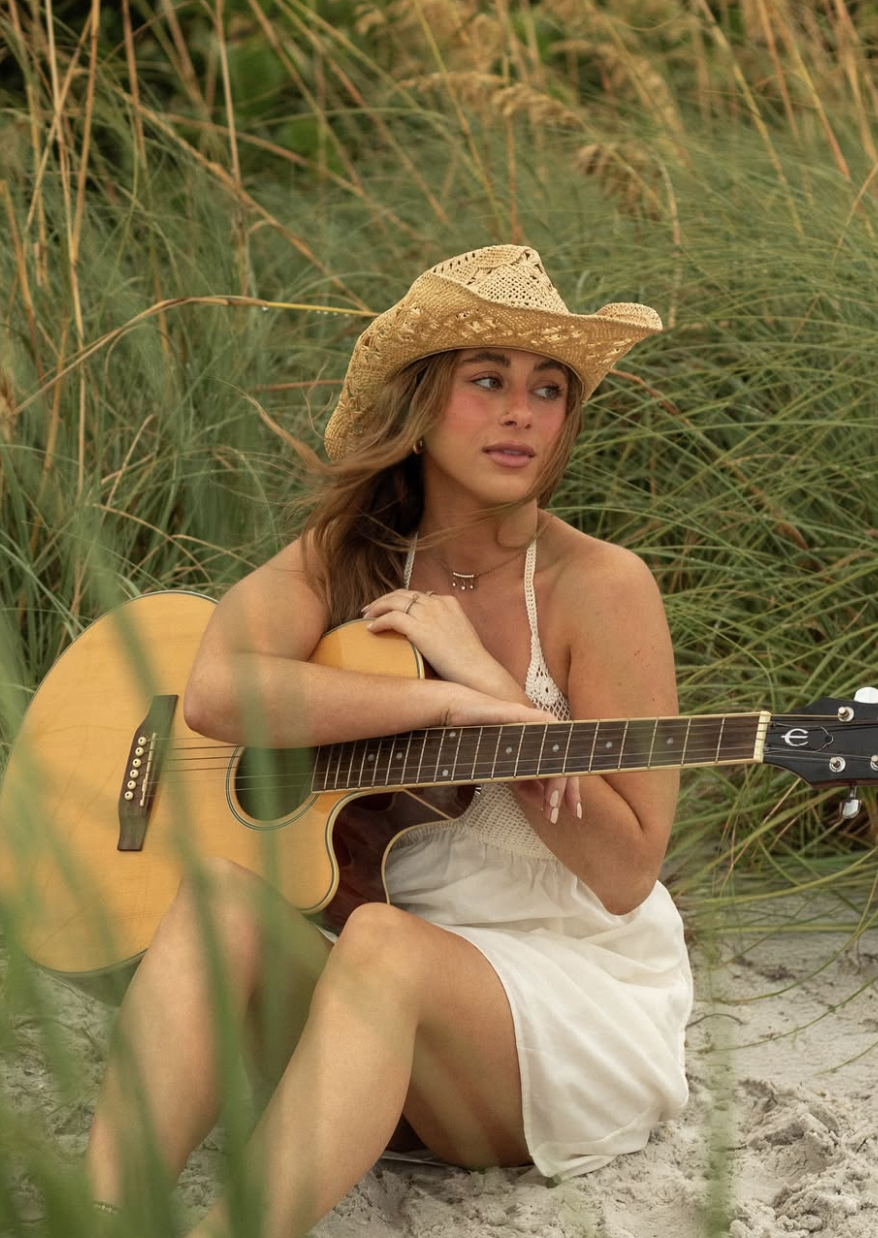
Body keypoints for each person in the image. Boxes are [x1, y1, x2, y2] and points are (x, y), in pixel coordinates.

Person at [85, 245, 693, 1237]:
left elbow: (626, 871)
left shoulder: (599, 586)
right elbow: (214, 692)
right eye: (485, 380)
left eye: (548, 390)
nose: (520, 413)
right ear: (420, 404)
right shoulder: (348, 552)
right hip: (386, 1012)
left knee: (382, 943)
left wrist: (493, 684)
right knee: (219, 904)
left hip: (567, 997)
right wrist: (441, 703)